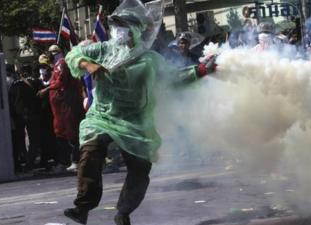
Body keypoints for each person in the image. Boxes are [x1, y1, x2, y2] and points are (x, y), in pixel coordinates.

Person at [62, 0, 215, 224]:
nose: (119, 31)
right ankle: (83, 207)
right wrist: (87, 64)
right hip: (102, 116)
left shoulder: (149, 60)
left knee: (140, 169)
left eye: (124, 26)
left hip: (135, 121)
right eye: (116, 27)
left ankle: (123, 212)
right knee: (90, 152)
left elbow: (172, 79)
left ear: (136, 30)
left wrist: (201, 70)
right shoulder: (103, 49)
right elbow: (73, 55)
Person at [37, 45, 84, 173]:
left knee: (71, 133)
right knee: (61, 134)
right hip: (58, 109)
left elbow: (61, 81)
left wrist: (46, 89)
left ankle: (75, 160)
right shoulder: (56, 67)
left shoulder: (62, 64)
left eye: (54, 53)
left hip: (66, 107)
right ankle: (64, 161)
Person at [8, 64, 42, 171]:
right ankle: (30, 162)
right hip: (32, 114)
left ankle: (25, 159)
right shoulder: (35, 82)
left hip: (19, 116)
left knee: (20, 140)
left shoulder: (15, 84)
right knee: (34, 139)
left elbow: (11, 101)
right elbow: (40, 97)